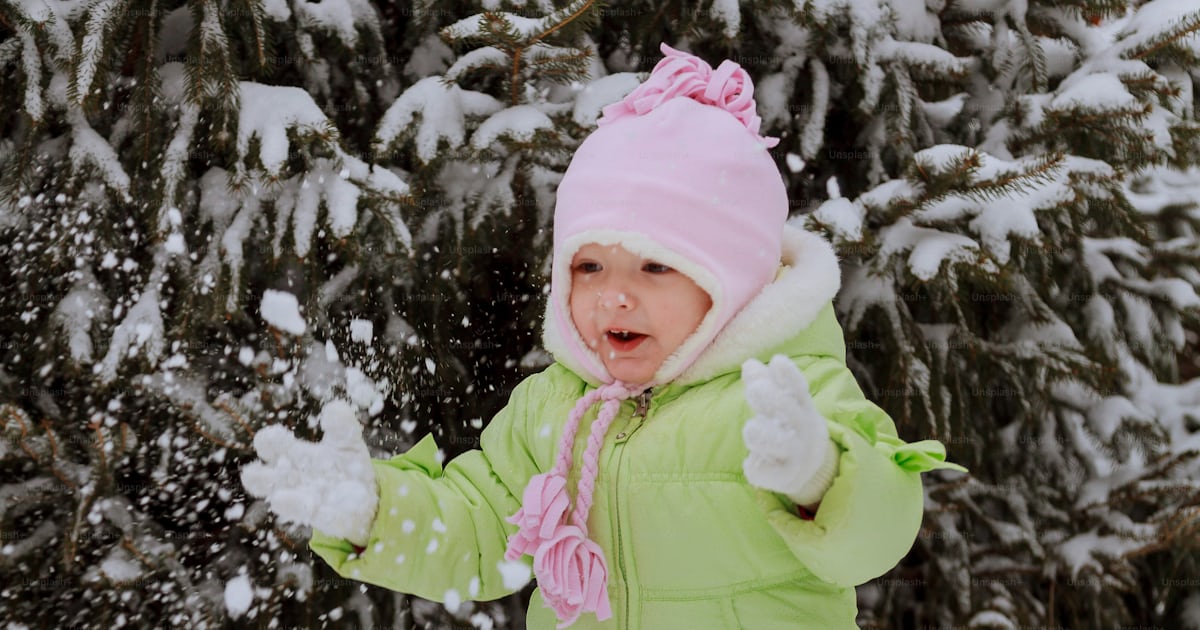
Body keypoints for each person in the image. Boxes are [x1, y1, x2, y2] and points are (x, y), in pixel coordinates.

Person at [241, 43, 967, 629]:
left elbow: (876, 538)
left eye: (656, 265)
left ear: (736, 280)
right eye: (589, 264)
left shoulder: (784, 397)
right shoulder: (553, 409)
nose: (614, 294)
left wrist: (818, 474)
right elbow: (481, 528)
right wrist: (375, 512)